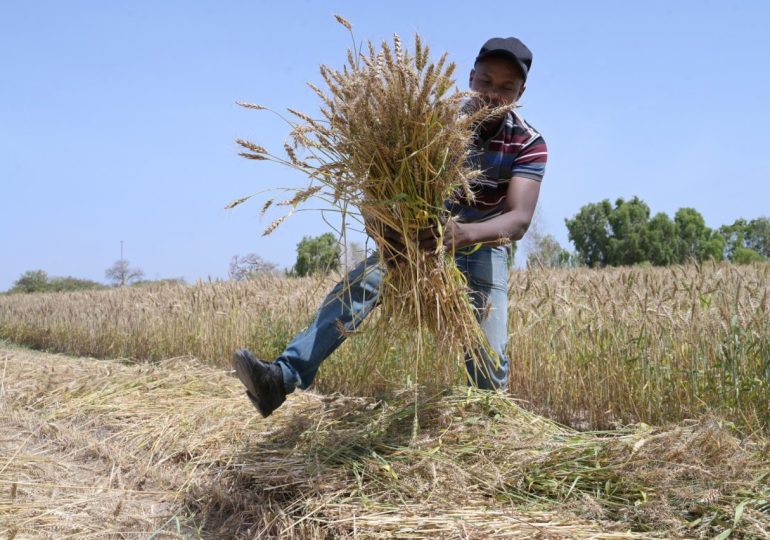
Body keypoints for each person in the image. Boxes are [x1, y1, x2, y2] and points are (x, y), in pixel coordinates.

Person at [233, 37, 547, 417]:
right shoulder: (429, 122)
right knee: (362, 283)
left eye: (505, 88)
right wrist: (386, 231)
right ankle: (280, 379)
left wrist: (462, 234)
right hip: (420, 238)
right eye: (485, 81)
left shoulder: (529, 143)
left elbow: (518, 220)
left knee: (487, 364)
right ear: (470, 78)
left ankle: (491, 419)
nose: (492, 94)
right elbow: (380, 185)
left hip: (482, 243)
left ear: (521, 93)